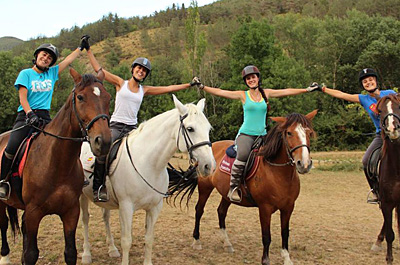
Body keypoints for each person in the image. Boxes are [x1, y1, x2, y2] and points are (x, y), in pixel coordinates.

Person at [81, 36, 197, 202]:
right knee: (105, 151)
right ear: (133, 69)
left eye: (144, 70)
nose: (140, 71)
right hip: (115, 126)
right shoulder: (120, 83)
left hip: (133, 129)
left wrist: (188, 85)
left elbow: (168, 88)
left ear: (145, 75)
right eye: (138, 68)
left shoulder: (145, 90)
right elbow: (99, 69)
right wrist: (89, 50)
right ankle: (99, 186)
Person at [191, 65, 319, 202]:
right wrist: (202, 87)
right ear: (246, 81)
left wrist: (306, 90)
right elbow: (221, 92)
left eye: (253, 77)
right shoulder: (243, 95)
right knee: (243, 154)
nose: (251, 80)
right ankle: (234, 187)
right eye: (248, 78)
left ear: (258, 78)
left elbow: (286, 91)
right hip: (246, 135)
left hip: (263, 135)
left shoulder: (266, 93)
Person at [0, 38, 86, 200]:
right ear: (37, 55)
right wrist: (29, 114)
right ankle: (3, 181)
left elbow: (67, 60)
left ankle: (75, 176)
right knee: (11, 147)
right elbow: (23, 98)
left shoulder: (52, 73)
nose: (46, 58)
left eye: (50, 58)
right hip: (26, 116)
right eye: (44, 55)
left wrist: (80, 47)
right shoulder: (26, 74)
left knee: (68, 141)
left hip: (45, 118)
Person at [317, 68, 395, 204]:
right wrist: (323, 89)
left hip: (397, 132)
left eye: (371, 80)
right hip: (381, 135)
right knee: (366, 161)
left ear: (376, 81)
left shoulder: (390, 93)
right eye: (365, 81)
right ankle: (377, 192)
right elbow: (341, 95)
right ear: (363, 85)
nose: (368, 83)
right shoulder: (364, 99)